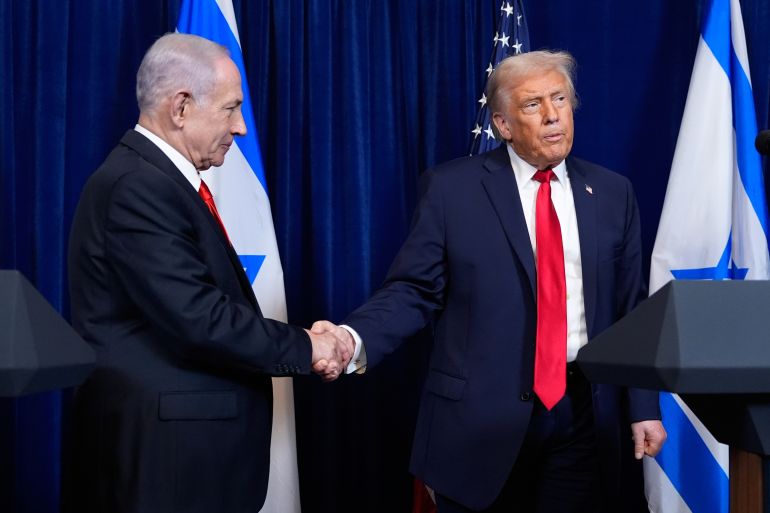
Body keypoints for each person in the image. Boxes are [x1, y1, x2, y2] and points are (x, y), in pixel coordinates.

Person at [313, 50, 666, 513]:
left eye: (560, 98)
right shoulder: (451, 190)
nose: (553, 114)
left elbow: (630, 309)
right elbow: (413, 291)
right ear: (502, 124)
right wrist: (351, 338)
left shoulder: (612, 192)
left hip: (582, 418)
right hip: (477, 424)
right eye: (532, 104)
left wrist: (643, 405)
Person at [63, 33, 349, 513]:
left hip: (186, 454)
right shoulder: (139, 186)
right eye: (230, 108)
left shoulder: (155, 179)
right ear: (180, 108)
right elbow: (199, 320)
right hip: (167, 460)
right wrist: (310, 345)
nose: (240, 128)